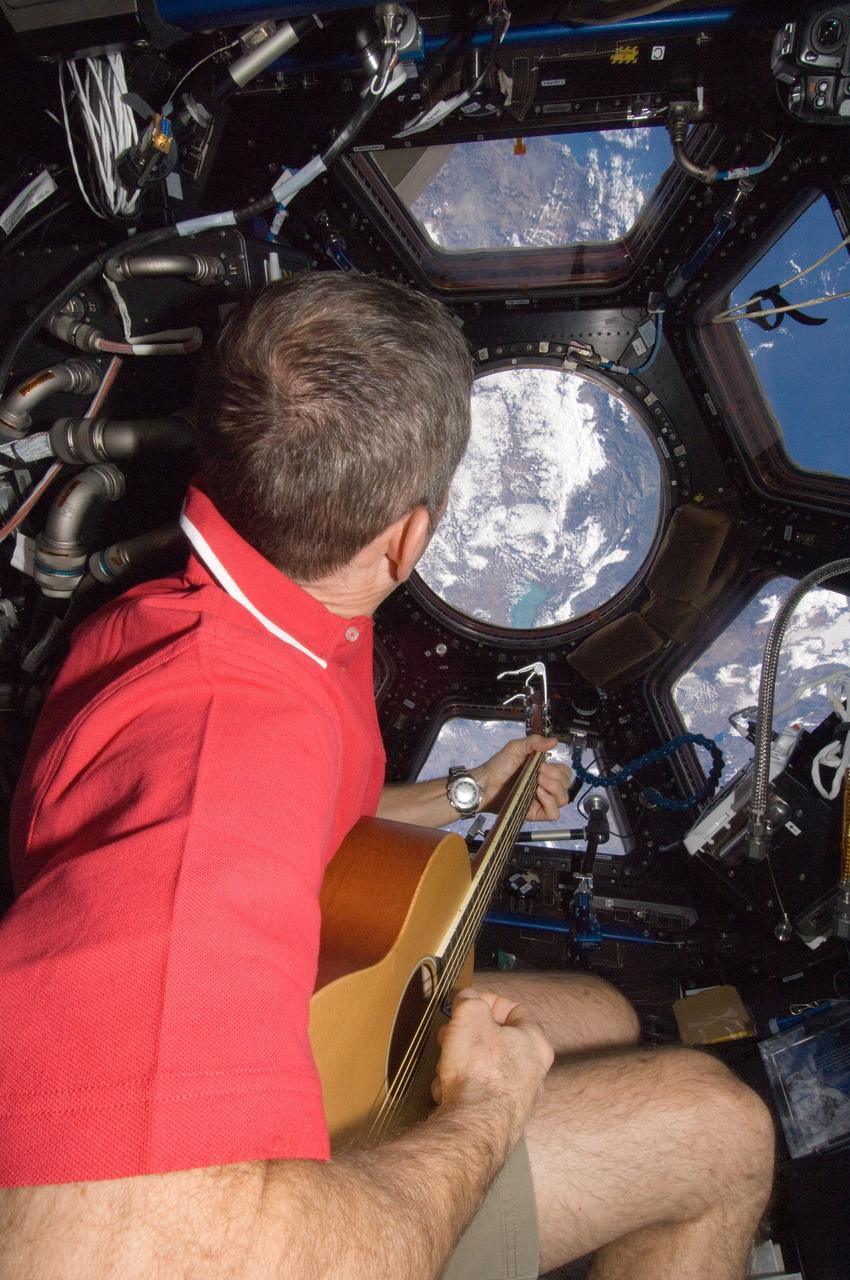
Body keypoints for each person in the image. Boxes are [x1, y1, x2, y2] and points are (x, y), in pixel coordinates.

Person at [0, 273, 774, 1280]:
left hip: (297, 1007)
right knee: (720, 1130)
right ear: (409, 536)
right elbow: (131, 1252)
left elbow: (302, 820)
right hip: (283, 1207)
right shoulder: (220, 753)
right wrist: (486, 1112)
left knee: (608, 1016)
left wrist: (471, 792)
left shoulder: (250, 625)